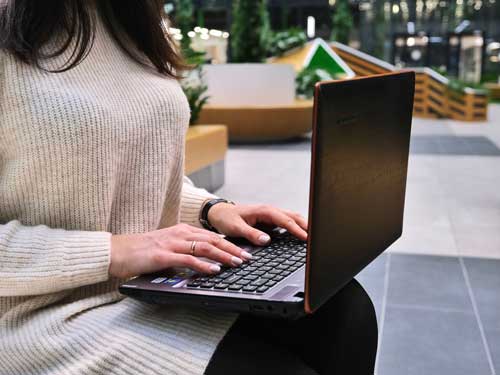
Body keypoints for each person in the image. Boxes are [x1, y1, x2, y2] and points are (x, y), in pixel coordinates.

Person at [0, 1, 378, 374]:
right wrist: (112, 251)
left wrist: (210, 210)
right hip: (36, 315)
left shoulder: (134, 23)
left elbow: (133, 171)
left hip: (150, 287)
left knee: (347, 313)